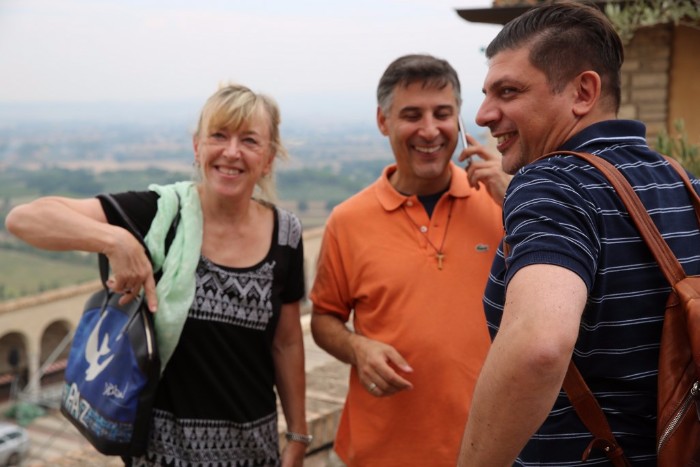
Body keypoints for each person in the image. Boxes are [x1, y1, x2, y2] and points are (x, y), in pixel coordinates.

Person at [5, 83, 311, 467]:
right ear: (197, 147)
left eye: (249, 140)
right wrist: (115, 239)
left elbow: (287, 342)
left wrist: (298, 435)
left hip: (254, 452)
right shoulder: (159, 216)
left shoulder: (286, 234)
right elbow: (25, 219)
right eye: (219, 135)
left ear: (267, 159)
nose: (231, 152)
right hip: (160, 456)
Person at [457, 1, 700, 466]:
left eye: (508, 91)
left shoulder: (551, 182)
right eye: (487, 94)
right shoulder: (682, 184)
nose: (484, 114)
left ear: (583, 92)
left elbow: (539, 346)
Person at [309, 54, 511, 466]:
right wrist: (356, 347)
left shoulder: (502, 205)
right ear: (383, 121)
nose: (430, 130)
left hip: (490, 452)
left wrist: (515, 200)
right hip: (377, 453)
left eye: (443, 114)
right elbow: (324, 319)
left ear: (460, 122)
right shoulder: (347, 221)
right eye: (412, 115)